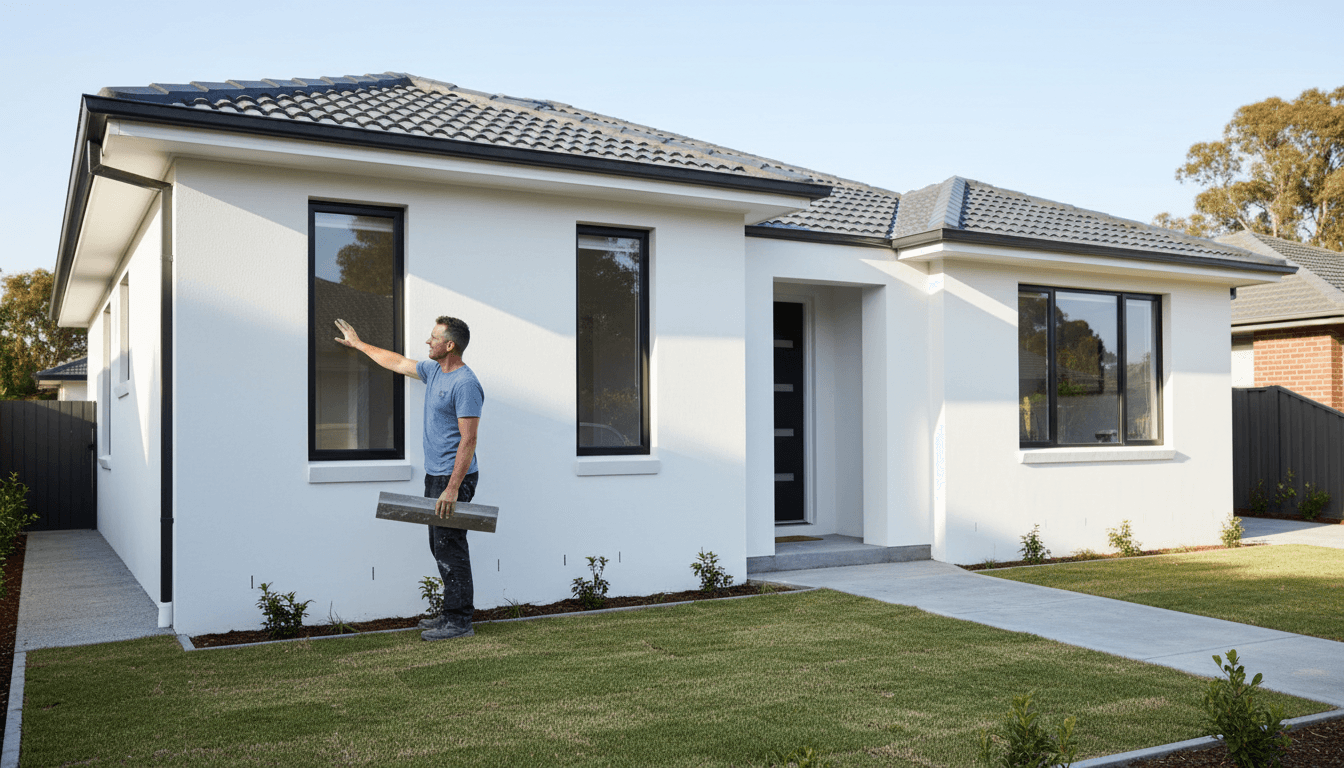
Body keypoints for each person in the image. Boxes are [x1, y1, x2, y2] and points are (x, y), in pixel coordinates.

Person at [334, 316, 483, 641]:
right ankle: (451, 614)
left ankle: (459, 622)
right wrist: (359, 345)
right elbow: (398, 362)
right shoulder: (435, 372)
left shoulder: (465, 384)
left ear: (450, 345)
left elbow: (469, 439)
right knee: (439, 546)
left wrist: (453, 488)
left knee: (451, 548)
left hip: (453, 480)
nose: (428, 341)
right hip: (436, 475)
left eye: (434, 338)